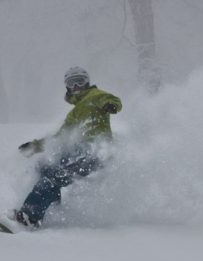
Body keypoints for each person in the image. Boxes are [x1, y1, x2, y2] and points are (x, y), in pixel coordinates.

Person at [14, 67, 122, 227]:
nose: (77, 86)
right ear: (67, 87)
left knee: (54, 177)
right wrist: (35, 146)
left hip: (96, 152)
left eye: (80, 81)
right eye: (72, 83)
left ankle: (30, 217)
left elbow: (113, 100)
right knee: (44, 167)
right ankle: (53, 209)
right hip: (79, 151)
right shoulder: (74, 113)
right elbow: (59, 138)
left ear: (87, 82)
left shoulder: (96, 96)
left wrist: (110, 105)